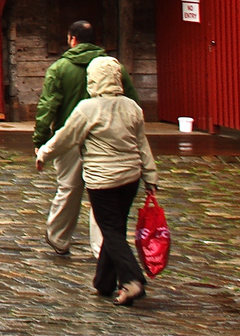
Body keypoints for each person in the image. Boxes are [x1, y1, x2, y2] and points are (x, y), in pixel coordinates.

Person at [36, 56, 158, 306]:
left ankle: (132, 281)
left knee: (111, 232)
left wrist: (43, 153)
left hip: (102, 180)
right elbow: (142, 145)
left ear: (93, 80)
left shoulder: (87, 109)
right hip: (130, 178)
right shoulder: (132, 107)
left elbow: (65, 138)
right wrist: (150, 176)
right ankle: (104, 282)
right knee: (115, 228)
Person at [34, 20, 139, 256]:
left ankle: (58, 237)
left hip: (69, 137)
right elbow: (132, 101)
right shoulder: (115, 68)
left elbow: (48, 106)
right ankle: (102, 247)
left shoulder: (59, 68)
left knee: (69, 188)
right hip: (105, 138)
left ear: (72, 39)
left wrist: (40, 139)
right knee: (101, 191)